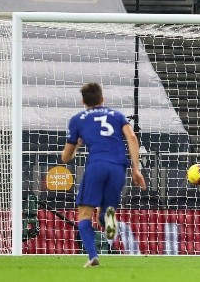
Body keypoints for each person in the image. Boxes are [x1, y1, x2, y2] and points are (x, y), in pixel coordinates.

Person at [61, 82, 146, 267]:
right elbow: (131, 137)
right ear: (102, 98)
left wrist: (76, 145)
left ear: (83, 100)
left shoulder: (78, 119)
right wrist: (136, 168)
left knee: (84, 214)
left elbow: (66, 157)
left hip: (97, 166)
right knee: (105, 212)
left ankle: (93, 256)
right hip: (118, 168)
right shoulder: (117, 115)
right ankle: (107, 221)